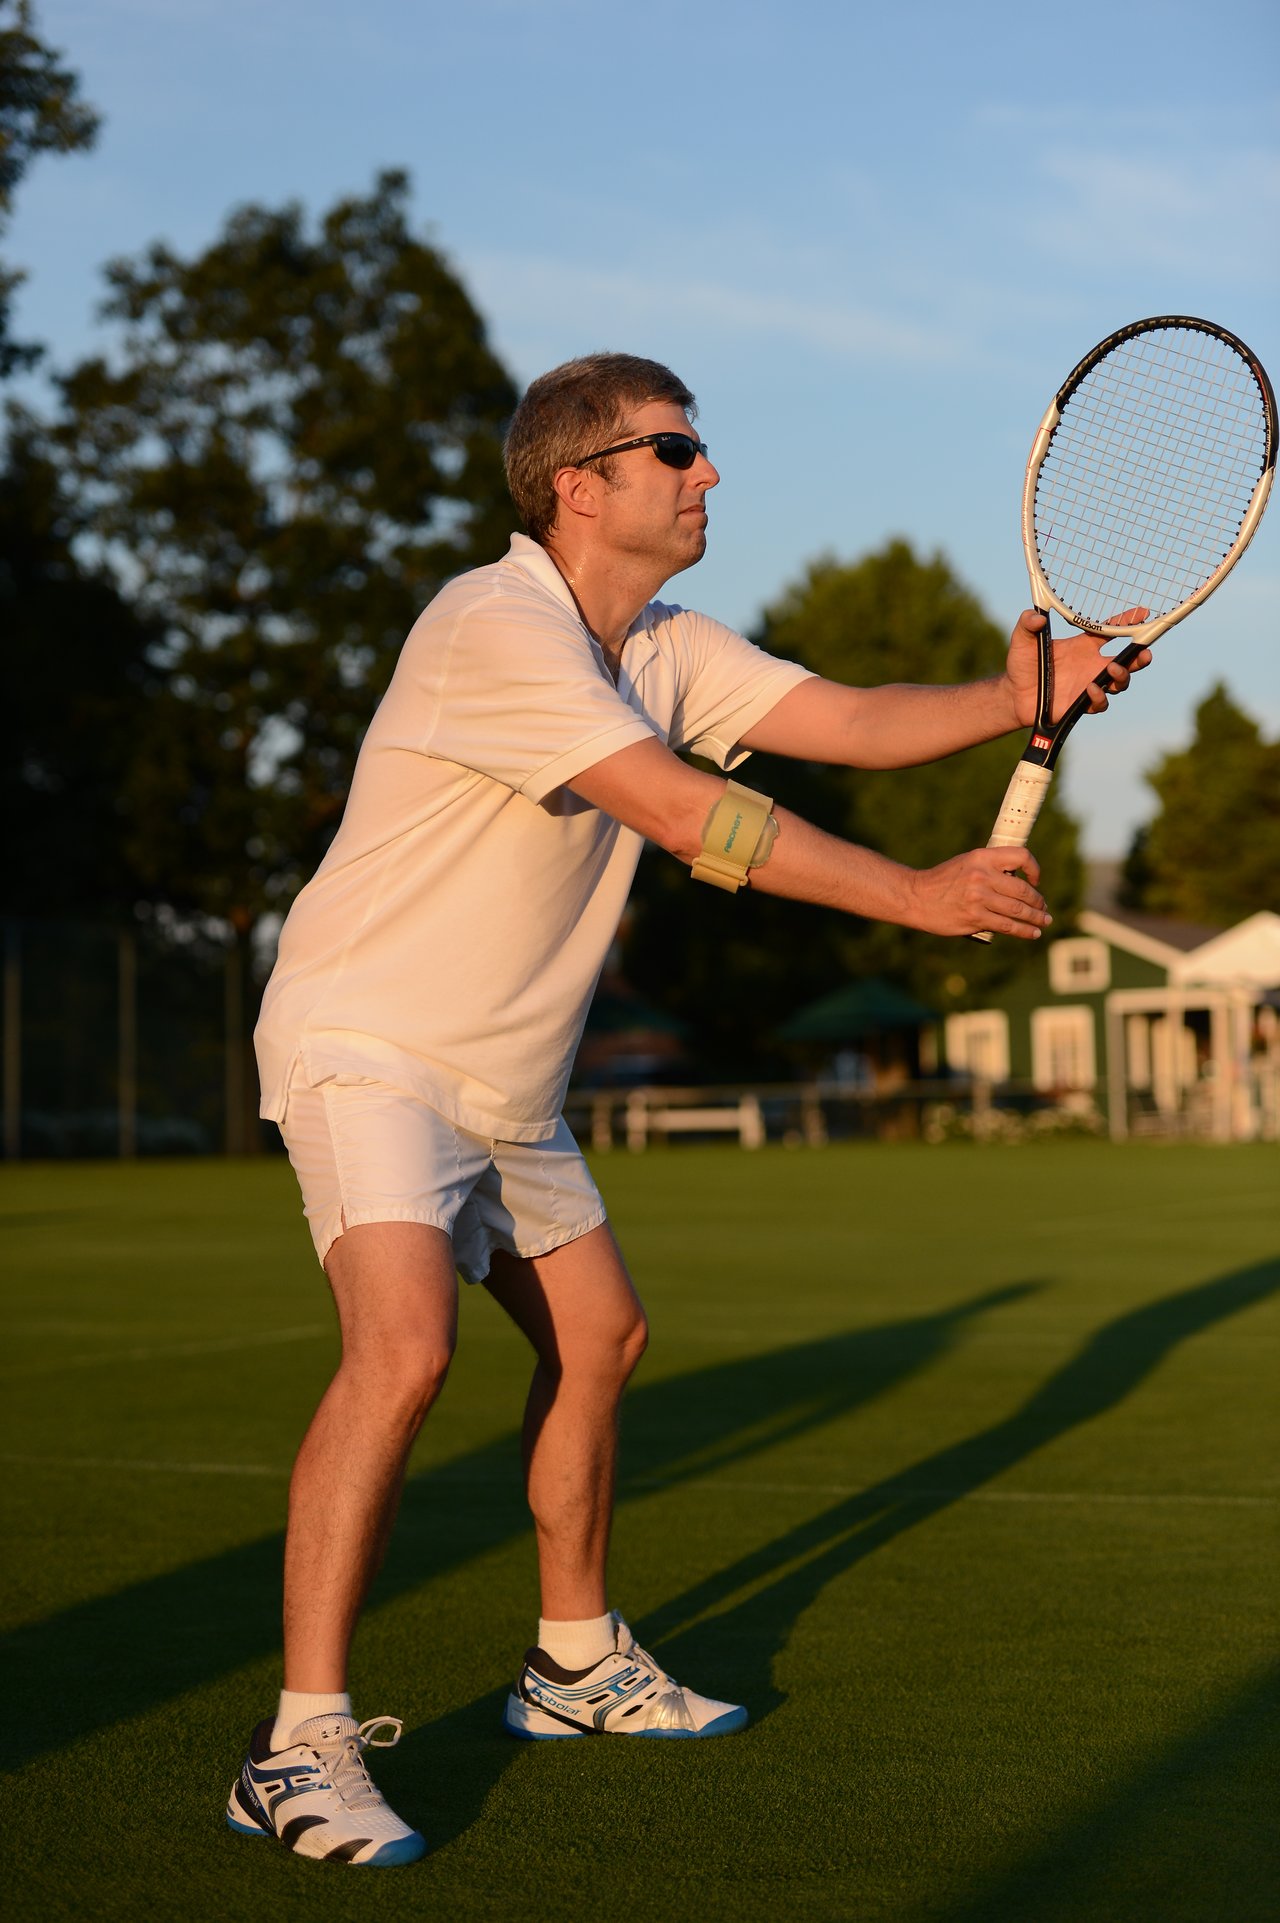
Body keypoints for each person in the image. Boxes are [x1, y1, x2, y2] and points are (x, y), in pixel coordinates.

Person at [228, 353, 1146, 1866]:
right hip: (372, 1044)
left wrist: (1010, 696)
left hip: (504, 1078)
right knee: (405, 1349)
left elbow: (841, 718)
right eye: (678, 451)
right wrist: (915, 893)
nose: (710, 474)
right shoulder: (493, 623)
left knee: (603, 1337)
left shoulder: (659, 641)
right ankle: (297, 1744)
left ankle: (575, 1664)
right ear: (577, 485)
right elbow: (682, 812)